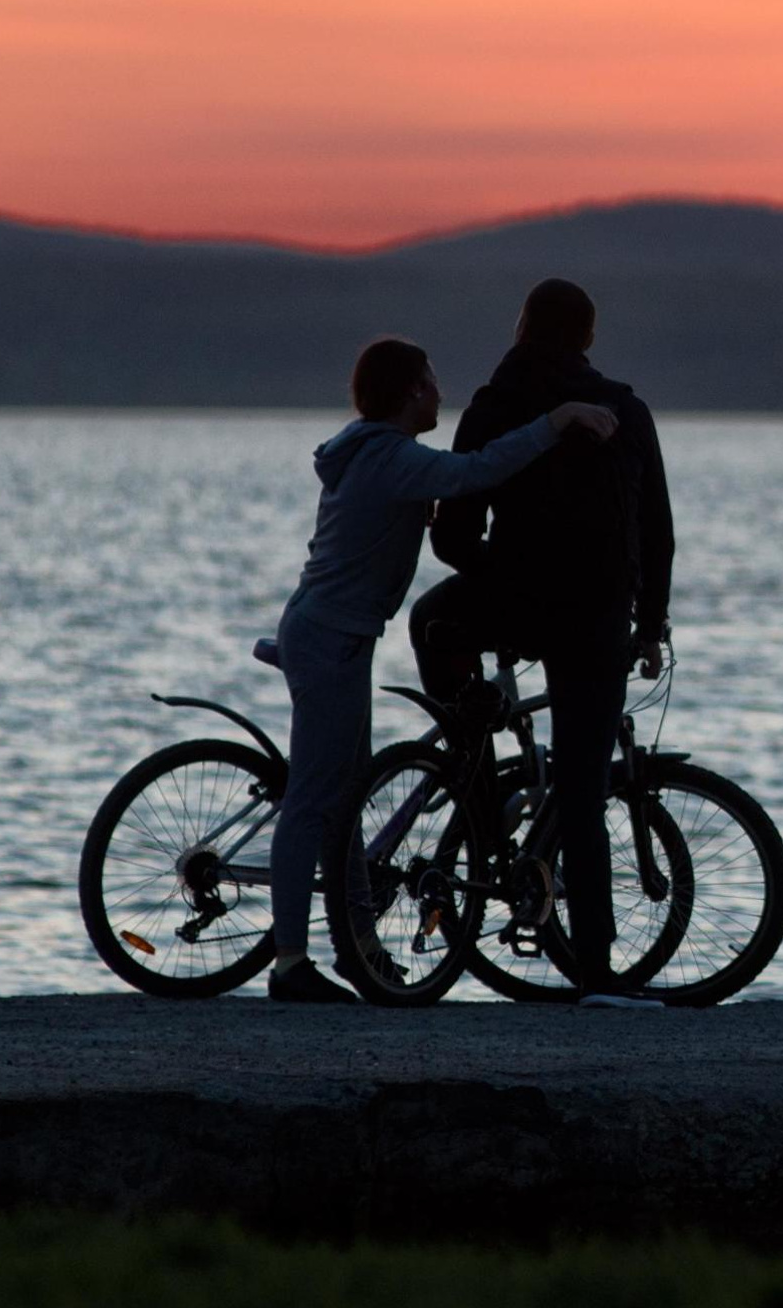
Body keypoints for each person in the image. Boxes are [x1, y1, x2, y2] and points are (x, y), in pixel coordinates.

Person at [264, 335, 618, 1005]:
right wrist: (558, 420)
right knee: (314, 804)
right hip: (330, 639)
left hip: (332, 633)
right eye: (431, 382)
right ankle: (288, 963)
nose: (440, 392)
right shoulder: (393, 458)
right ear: (408, 394)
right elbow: (480, 470)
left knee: (344, 804)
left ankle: (359, 952)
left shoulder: (368, 449)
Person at [409, 278, 673, 992]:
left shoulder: (494, 406)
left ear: (521, 329)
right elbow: (657, 530)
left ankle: (471, 768)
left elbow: (458, 536)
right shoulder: (626, 408)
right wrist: (650, 623)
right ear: (588, 337)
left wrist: (499, 567)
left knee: (428, 621)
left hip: (513, 602)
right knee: (584, 793)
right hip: (598, 614)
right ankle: (595, 971)